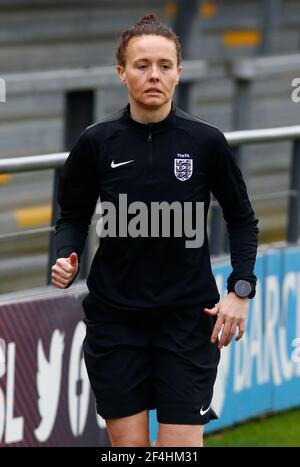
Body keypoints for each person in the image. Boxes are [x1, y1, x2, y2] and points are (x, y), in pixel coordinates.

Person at [51, 13, 259, 448]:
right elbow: (71, 216)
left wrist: (240, 289)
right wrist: (66, 256)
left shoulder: (206, 142)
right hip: (116, 321)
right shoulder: (96, 141)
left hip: (187, 322)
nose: (154, 75)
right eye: (142, 65)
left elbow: (242, 220)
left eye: (164, 66)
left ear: (179, 73)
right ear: (122, 73)